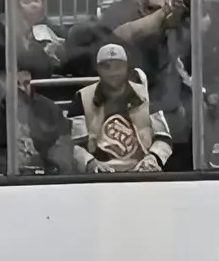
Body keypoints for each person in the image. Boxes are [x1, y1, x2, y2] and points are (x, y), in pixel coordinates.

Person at [71, 43, 173, 173]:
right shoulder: (82, 97)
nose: (113, 72)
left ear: (127, 68)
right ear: (98, 69)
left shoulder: (146, 95)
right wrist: (90, 164)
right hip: (100, 175)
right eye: (106, 67)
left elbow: (164, 138)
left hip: (143, 171)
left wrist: (153, 158)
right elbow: (74, 144)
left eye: (118, 66)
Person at [0, 67, 73, 175]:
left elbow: (64, 143)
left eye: (26, 83)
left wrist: (56, 163)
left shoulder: (48, 108)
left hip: (46, 177)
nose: (23, 89)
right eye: (17, 84)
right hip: (9, 181)